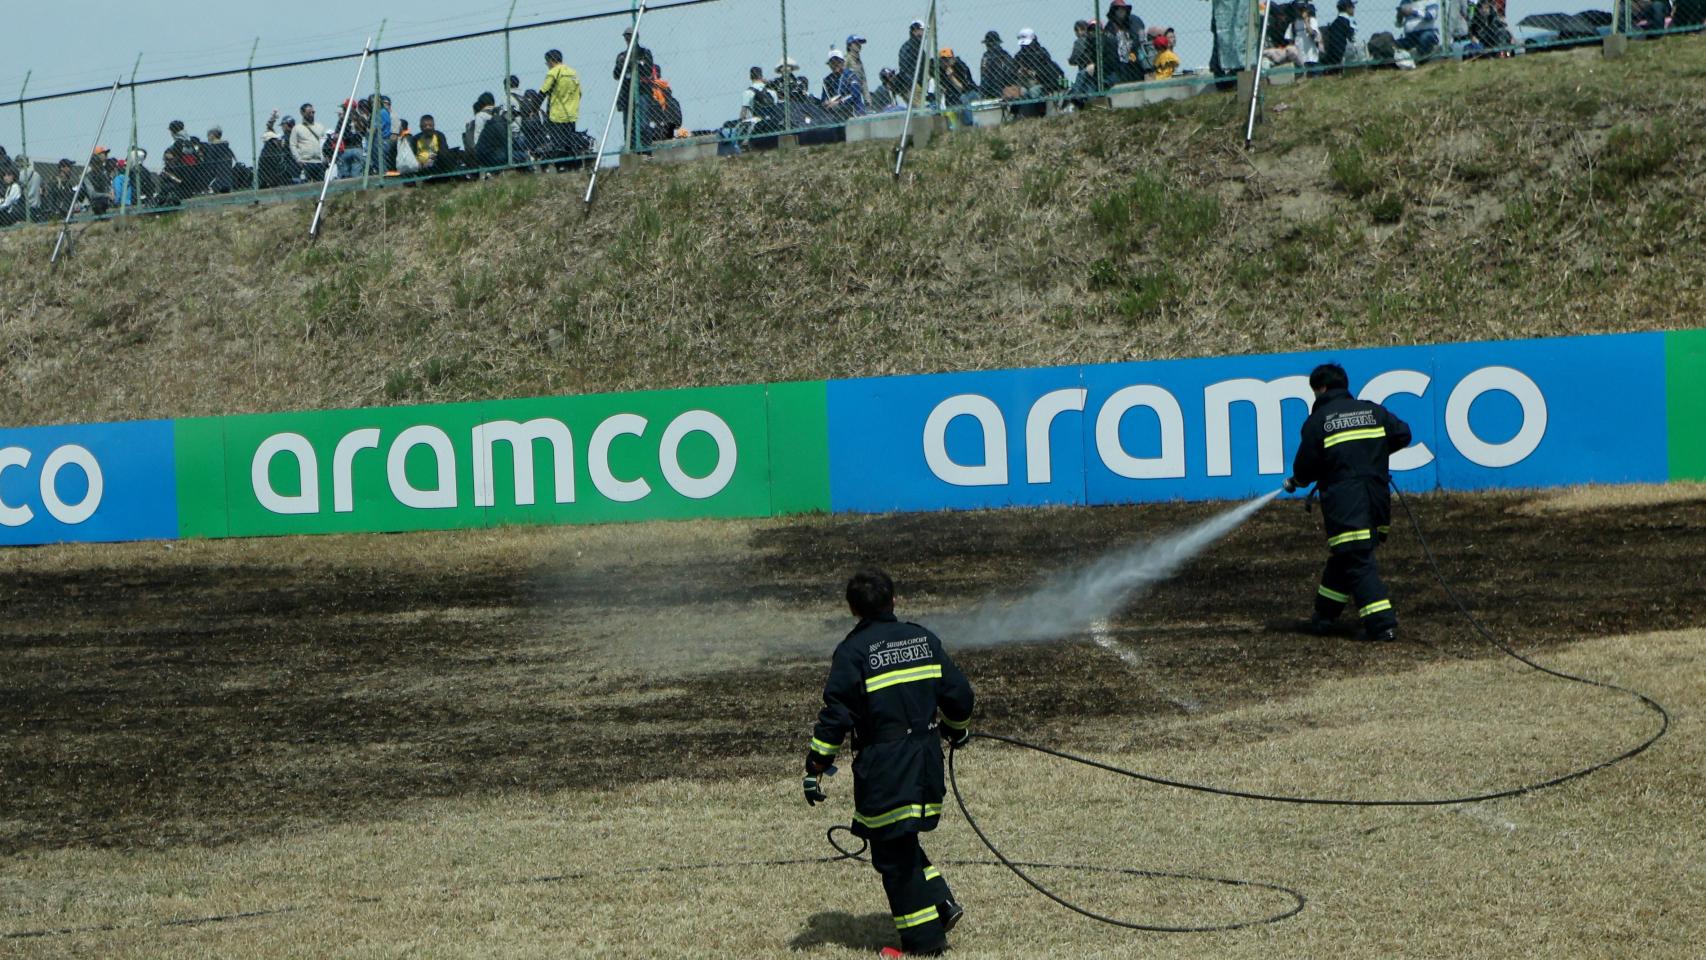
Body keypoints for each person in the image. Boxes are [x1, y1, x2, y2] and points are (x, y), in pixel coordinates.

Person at [804, 568, 975, 959]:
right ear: (893, 600)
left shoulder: (853, 651)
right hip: (926, 762)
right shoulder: (923, 639)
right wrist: (957, 730)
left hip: (886, 768)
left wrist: (816, 766)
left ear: (852, 609)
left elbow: (837, 716)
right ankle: (942, 903)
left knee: (893, 855)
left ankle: (924, 945)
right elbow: (960, 695)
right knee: (899, 839)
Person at [1284, 363, 1412, 643]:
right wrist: (1370, 455)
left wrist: (1297, 481)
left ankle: (1382, 625)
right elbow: (1403, 433)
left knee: (1356, 560)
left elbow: (1304, 467)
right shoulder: (1372, 411)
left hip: (1346, 502)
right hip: (1377, 498)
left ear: (1321, 389)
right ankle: (1324, 616)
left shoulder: (1319, 421)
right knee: (1347, 556)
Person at [541, 49, 584, 160]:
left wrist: (533, 108)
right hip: (571, 114)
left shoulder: (553, 73)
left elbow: (543, 92)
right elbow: (579, 93)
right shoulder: (573, 73)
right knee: (569, 142)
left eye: (547, 62)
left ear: (551, 61)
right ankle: (571, 164)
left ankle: (561, 165)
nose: (547, 65)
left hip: (556, 115)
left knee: (558, 143)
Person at [1013, 27, 1066, 113]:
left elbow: (1045, 71)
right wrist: (1019, 71)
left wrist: (1032, 72)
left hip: (1040, 81)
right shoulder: (1019, 55)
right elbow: (1014, 69)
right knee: (1016, 91)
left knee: (1034, 91)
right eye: (1023, 45)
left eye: (1026, 45)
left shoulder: (1041, 53)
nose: (1024, 47)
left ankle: (1040, 114)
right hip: (1024, 81)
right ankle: (1016, 114)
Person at [1105, 0, 1155, 82]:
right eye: (1118, 9)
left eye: (1123, 9)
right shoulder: (1109, 27)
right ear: (1113, 11)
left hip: (1134, 59)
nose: (1122, 11)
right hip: (1118, 64)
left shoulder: (1133, 22)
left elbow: (1139, 40)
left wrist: (1131, 51)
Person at [821, 49, 865, 120]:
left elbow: (854, 94)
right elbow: (824, 98)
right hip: (837, 116)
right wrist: (826, 103)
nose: (835, 65)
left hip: (855, 113)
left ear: (843, 62)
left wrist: (839, 102)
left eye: (838, 62)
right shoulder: (827, 80)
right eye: (832, 63)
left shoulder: (851, 75)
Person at [291, 103, 328, 182]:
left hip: (319, 162)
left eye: (313, 112)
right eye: (309, 113)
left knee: (321, 185)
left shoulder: (320, 127)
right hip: (305, 162)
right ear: (302, 113)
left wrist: (326, 157)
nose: (312, 114)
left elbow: (325, 143)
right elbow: (293, 145)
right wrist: (298, 159)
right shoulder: (297, 128)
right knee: (306, 185)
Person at [979, 30, 1020, 100]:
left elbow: (984, 77)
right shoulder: (1005, 55)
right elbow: (1012, 73)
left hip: (991, 91)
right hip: (1005, 89)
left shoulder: (986, 57)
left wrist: (982, 93)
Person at [1321, 0, 1359, 70]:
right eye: (1352, 6)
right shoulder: (1349, 20)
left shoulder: (1335, 22)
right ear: (1347, 8)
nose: (1354, 8)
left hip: (1333, 53)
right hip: (1345, 51)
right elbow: (1352, 38)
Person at [203, 127, 237, 193]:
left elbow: (209, 162)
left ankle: (210, 188)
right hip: (227, 177)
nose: (208, 138)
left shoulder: (212, 147)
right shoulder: (226, 146)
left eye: (208, 136)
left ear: (212, 135)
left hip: (217, 175)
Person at [897, 20, 926, 87]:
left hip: (918, 82)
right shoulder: (909, 47)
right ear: (915, 31)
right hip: (913, 84)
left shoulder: (917, 46)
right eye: (922, 30)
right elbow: (905, 69)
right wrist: (914, 84)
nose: (923, 32)